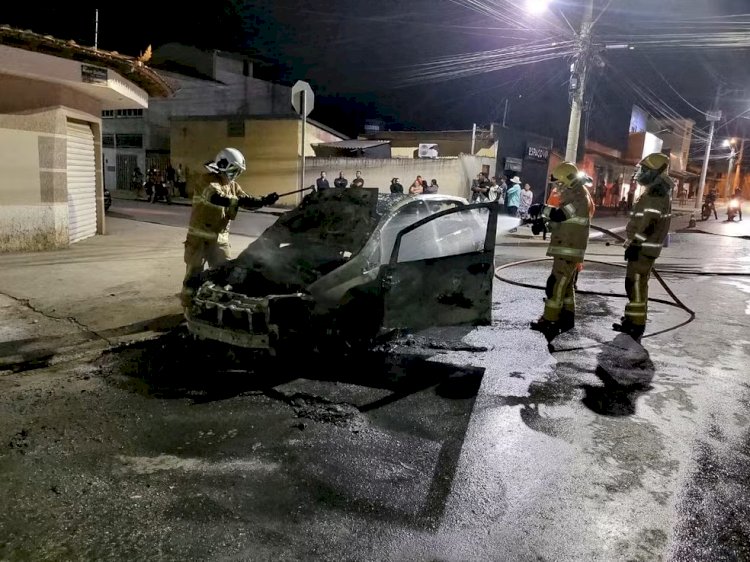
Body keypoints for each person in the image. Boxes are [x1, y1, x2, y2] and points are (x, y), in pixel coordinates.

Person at [181, 148, 279, 307]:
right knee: (194, 275)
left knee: (224, 274)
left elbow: (246, 200)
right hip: (199, 239)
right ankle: (187, 307)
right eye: (233, 170)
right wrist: (238, 201)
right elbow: (216, 197)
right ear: (222, 165)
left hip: (219, 239)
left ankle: (214, 306)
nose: (235, 174)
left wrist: (263, 201)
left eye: (238, 171)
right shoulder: (206, 181)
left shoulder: (233, 186)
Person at [613, 152, 674, 340]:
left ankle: (636, 325)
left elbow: (649, 223)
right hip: (642, 247)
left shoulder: (656, 195)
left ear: (656, 173)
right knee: (635, 284)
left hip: (644, 248)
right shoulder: (652, 192)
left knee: (636, 285)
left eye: (645, 170)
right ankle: (631, 319)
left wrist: (636, 243)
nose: (641, 173)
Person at [529, 162, 592, 340]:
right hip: (568, 248)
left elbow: (561, 215)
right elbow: (563, 222)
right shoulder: (574, 195)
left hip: (569, 250)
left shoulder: (579, 197)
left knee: (556, 285)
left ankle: (549, 321)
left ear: (568, 181)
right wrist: (544, 226)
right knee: (565, 286)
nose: (557, 188)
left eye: (559, 184)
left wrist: (542, 208)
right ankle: (566, 317)